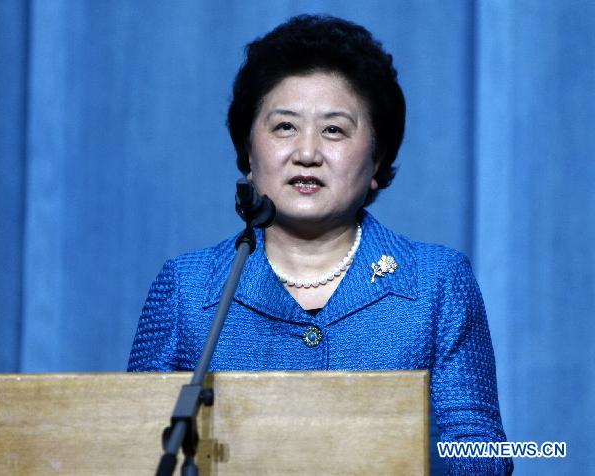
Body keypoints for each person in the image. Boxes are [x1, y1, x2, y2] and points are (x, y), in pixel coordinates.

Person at [128, 15, 513, 475]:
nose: (307, 152)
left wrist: (383, 450)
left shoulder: (437, 282)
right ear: (249, 152)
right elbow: (137, 446)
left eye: (334, 130)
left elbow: (481, 453)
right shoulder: (187, 289)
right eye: (285, 127)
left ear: (377, 158)